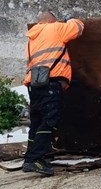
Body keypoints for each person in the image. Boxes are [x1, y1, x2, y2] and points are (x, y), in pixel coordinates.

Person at [22, 10, 84, 176]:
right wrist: (70, 19)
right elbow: (78, 27)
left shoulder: (31, 38)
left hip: (34, 84)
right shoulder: (55, 28)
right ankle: (33, 159)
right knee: (49, 121)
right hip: (51, 83)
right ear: (51, 20)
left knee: (36, 122)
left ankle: (33, 157)